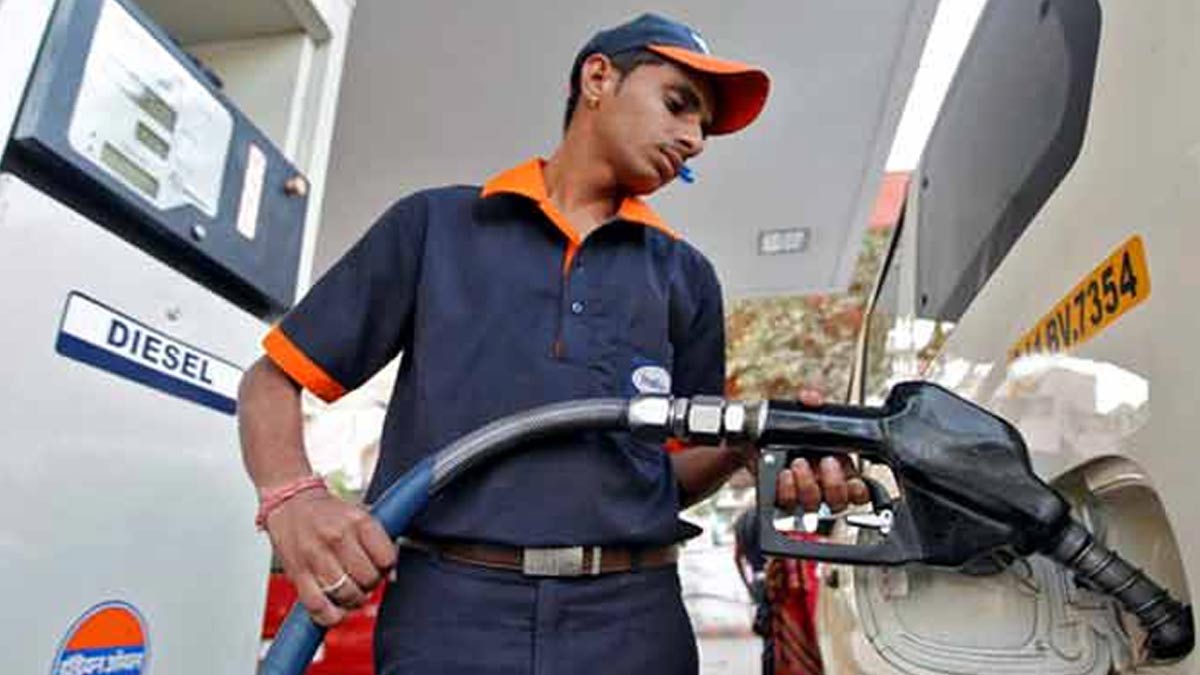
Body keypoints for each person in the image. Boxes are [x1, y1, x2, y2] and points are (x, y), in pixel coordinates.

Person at [237, 12, 865, 674]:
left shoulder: (687, 275)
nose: (694, 139)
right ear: (598, 78)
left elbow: (668, 474)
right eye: (679, 104)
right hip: (450, 613)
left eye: (704, 127)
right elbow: (271, 379)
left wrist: (748, 446)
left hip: (633, 619)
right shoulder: (436, 225)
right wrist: (292, 496)